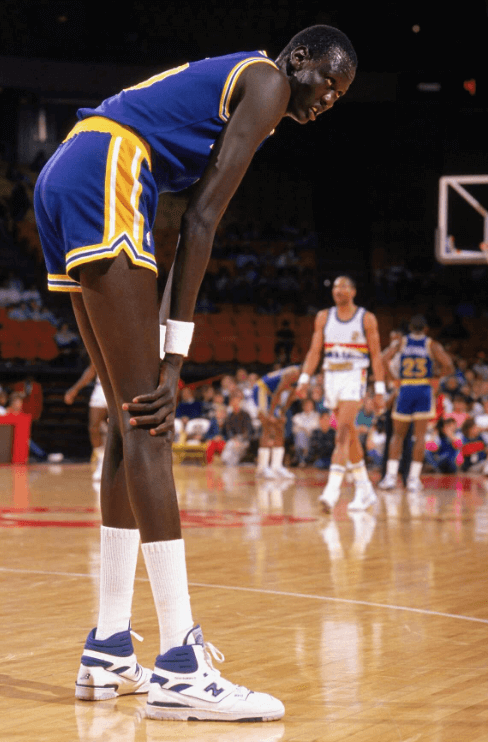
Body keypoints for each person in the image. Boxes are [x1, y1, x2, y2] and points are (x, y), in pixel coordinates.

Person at [33, 24, 357, 722]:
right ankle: (180, 660)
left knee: (128, 419)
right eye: (327, 79)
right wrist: (176, 357)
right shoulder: (267, 83)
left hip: (71, 166)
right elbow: (205, 219)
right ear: (297, 58)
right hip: (108, 165)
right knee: (151, 417)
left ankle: (109, 646)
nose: (330, 97)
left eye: (341, 94)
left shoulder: (236, 88)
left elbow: (186, 221)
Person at [297, 275, 385, 512]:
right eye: (335, 286)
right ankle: (365, 489)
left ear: (354, 292)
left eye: (344, 286)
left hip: (354, 375)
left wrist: (379, 389)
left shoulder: (366, 318)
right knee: (351, 434)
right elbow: (315, 351)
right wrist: (304, 378)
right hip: (332, 377)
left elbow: (376, 356)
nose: (338, 290)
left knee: (343, 431)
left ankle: (331, 492)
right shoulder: (323, 317)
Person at [379, 314, 454, 493]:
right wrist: (436, 378)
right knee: (419, 437)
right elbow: (449, 365)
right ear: (426, 329)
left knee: (397, 435)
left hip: (405, 388)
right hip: (423, 389)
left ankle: (390, 477)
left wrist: (393, 380)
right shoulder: (431, 344)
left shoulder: (402, 343)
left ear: (410, 329)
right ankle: (413, 479)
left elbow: (383, 359)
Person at [252, 364, 301, 478]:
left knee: (280, 426)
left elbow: (291, 397)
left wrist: (283, 413)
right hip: (262, 390)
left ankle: (276, 467)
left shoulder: (303, 379)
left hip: (271, 395)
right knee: (268, 426)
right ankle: (262, 468)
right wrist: (270, 415)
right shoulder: (293, 373)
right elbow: (278, 393)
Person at [64, 363, 108, 481]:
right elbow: (92, 370)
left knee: (120, 428)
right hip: (101, 388)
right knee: (94, 428)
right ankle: (101, 460)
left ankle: (118, 463)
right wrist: (75, 389)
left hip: (119, 389)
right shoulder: (101, 345)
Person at [291, 396, 320, 467]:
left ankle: (301, 458)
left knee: (303, 435)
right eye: (306, 405)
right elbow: (294, 429)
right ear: (303, 406)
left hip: (313, 437)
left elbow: (317, 428)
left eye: (310, 405)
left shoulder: (317, 416)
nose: (308, 407)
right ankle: (302, 459)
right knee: (300, 435)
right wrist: (305, 430)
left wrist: (304, 428)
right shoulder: (297, 416)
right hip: (301, 437)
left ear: (313, 406)